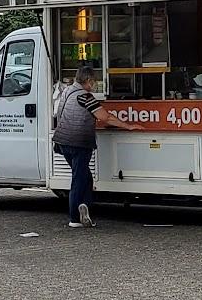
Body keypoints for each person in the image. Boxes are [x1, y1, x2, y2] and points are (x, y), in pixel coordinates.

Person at [53, 64, 139, 229]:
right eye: (93, 81)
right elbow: (105, 117)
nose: (94, 85)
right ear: (88, 80)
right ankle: (75, 218)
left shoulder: (66, 92)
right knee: (79, 179)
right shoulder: (85, 97)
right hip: (78, 143)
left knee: (85, 177)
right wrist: (128, 126)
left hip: (63, 142)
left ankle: (84, 208)